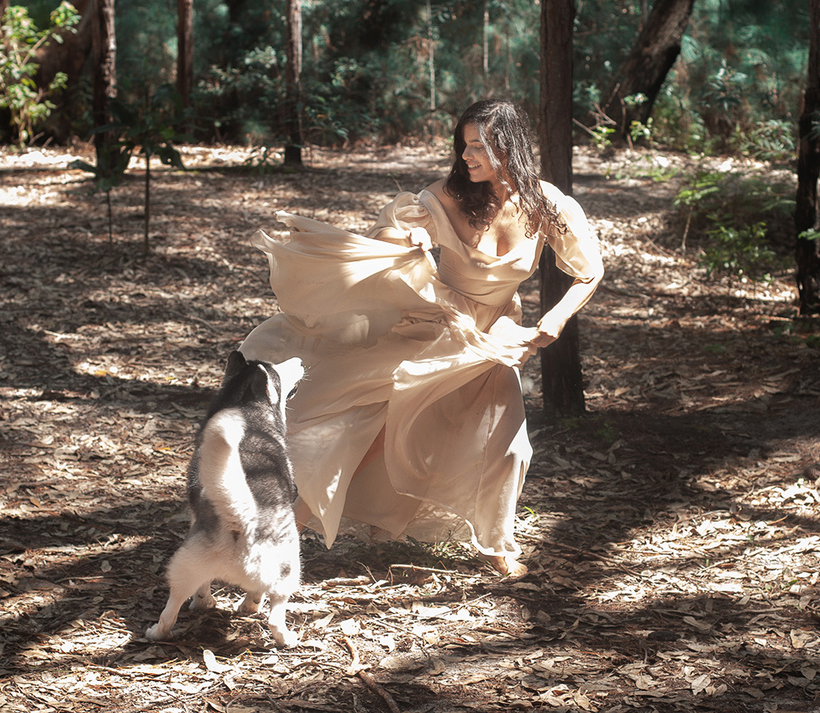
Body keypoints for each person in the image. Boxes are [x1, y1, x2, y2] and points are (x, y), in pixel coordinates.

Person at [239, 99, 604, 577]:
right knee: (374, 422)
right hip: (439, 321)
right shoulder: (445, 197)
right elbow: (390, 232)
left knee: (509, 446)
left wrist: (556, 317)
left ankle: (496, 544)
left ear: (507, 147)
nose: (467, 156)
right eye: (465, 145)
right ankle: (290, 525)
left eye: (478, 146)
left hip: (495, 335)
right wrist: (406, 244)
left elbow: (589, 270)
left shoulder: (548, 204)